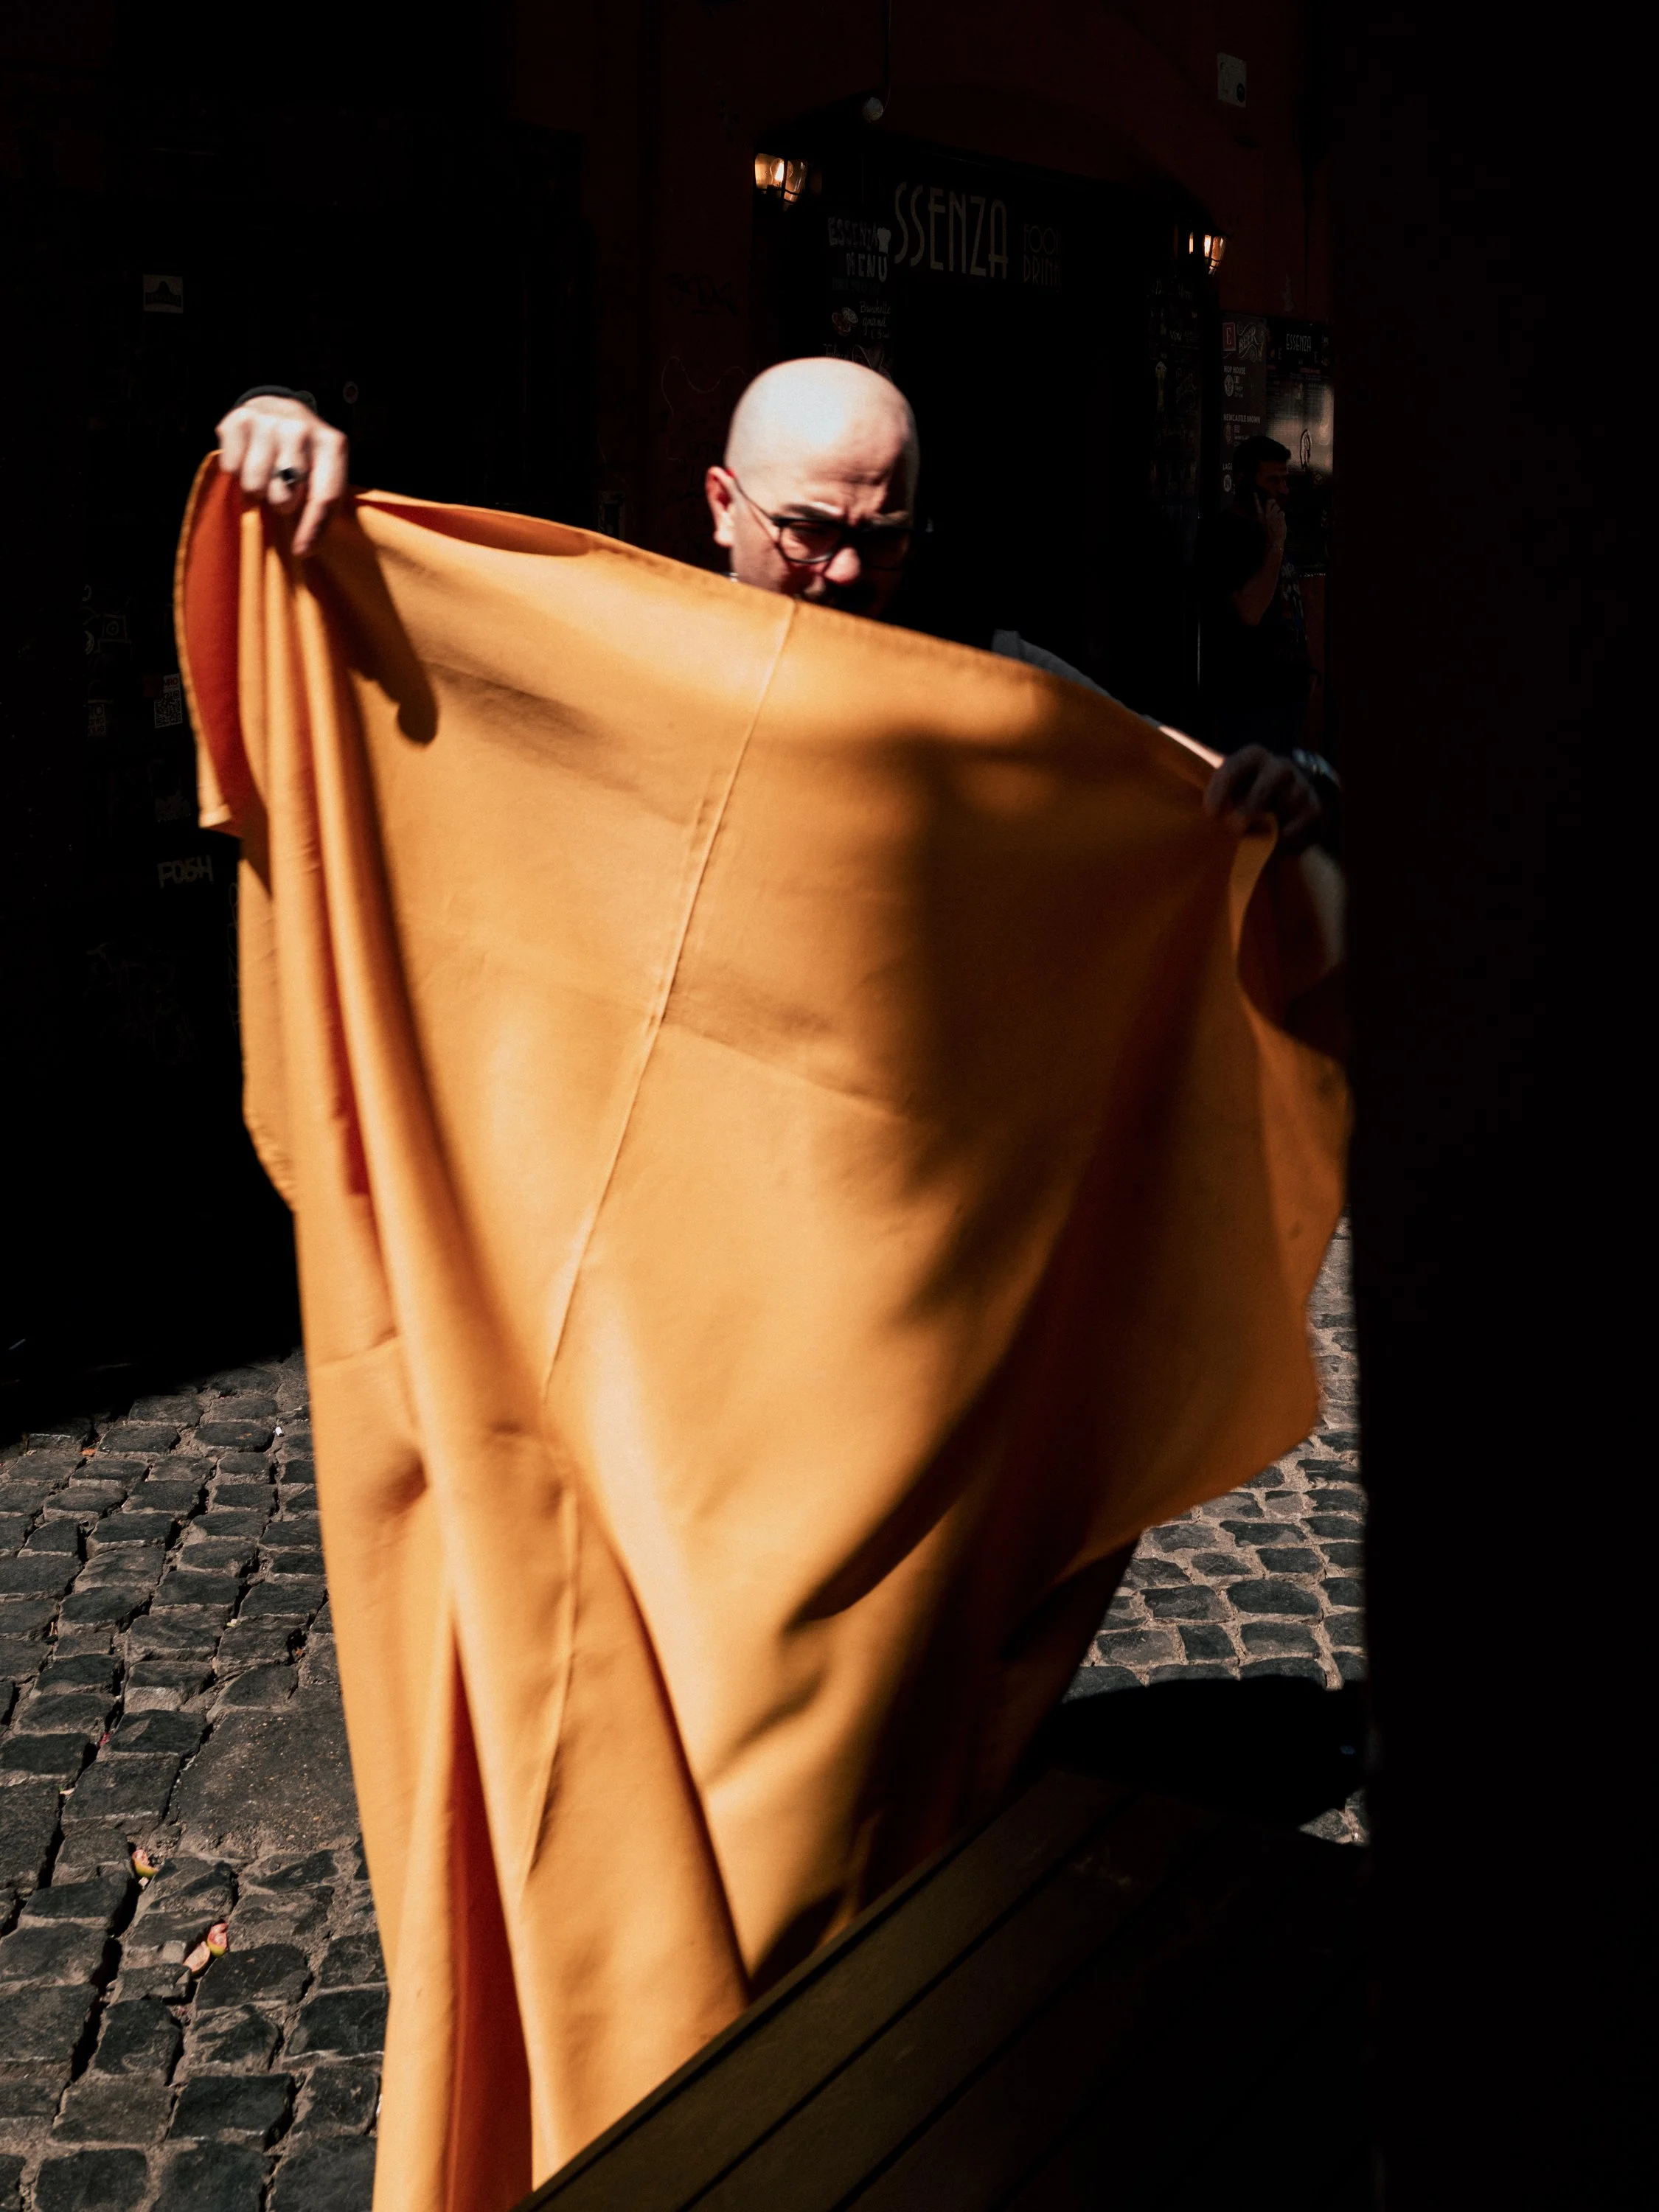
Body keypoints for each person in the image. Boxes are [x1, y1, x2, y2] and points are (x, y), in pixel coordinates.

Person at [216, 363, 1329, 851]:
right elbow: (388, 640)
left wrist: (1290, 789)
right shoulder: (621, 650)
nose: (843, 572)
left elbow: (1176, 779)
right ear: (720, 504)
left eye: (882, 538)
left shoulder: (987, 677)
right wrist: (277, 416)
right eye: (806, 529)